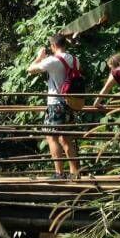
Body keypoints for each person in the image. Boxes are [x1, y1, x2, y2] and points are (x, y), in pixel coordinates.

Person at [27, 34, 81, 179]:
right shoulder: (75, 59)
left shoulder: (52, 61)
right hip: (70, 103)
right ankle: (75, 173)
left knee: (51, 137)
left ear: (53, 46)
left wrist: (39, 57)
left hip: (56, 103)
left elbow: (30, 69)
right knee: (66, 138)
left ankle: (59, 173)